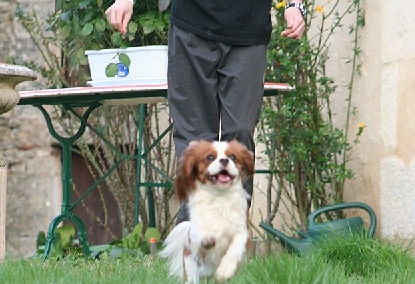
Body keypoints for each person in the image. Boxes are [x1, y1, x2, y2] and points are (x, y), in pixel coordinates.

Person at [105, 0, 306, 221]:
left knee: (241, 131)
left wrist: (294, 5)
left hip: (249, 30)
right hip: (192, 26)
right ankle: (194, 237)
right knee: (194, 139)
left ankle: (231, 231)